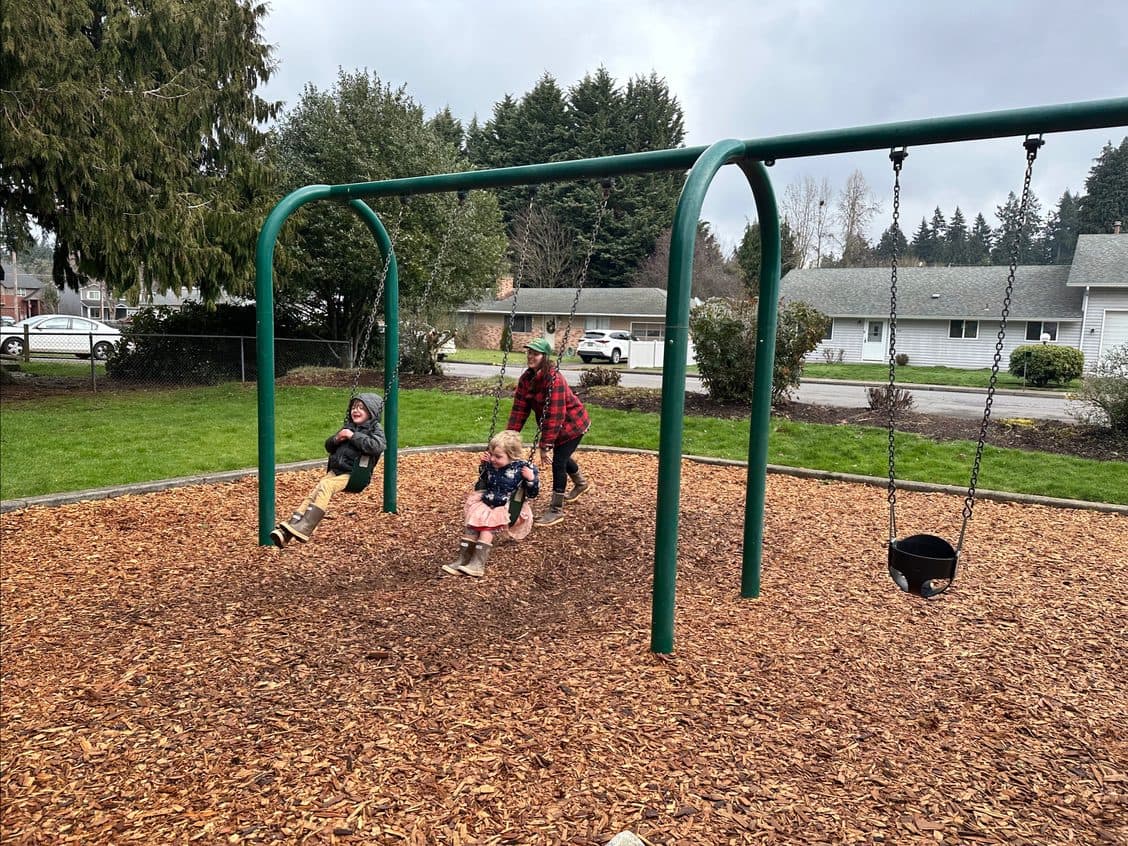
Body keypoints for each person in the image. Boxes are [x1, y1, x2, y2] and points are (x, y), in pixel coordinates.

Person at [269, 393, 386, 548]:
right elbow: (329, 447)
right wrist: (337, 438)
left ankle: (305, 527)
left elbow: (377, 446)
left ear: (372, 412)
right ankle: (289, 531)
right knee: (314, 493)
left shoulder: (374, 429)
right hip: (337, 471)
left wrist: (353, 436)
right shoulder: (348, 426)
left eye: (362, 408)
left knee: (326, 487)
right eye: (354, 407)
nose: (356, 411)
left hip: (354, 475)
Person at [507, 337, 591, 527]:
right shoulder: (527, 378)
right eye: (529, 352)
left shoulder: (554, 380)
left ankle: (556, 509)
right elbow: (520, 409)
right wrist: (509, 437)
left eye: (535, 354)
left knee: (559, 461)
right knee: (562, 456)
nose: (530, 356)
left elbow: (555, 415)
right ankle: (581, 483)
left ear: (544, 357)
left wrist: (545, 446)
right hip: (557, 425)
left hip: (573, 425)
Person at [442, 429, 540, 578]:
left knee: (487, 529)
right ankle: (462, 560)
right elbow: (485, 480)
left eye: (498, 456)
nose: (493, 459)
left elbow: (533, 493)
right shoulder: (492, 465)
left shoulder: (523, 470)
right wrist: (484, 465)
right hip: (488, 502)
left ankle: (477, 565)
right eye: (492, 455)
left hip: (507, 507)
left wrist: (531, 479)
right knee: (472, 528)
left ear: (512, 456)